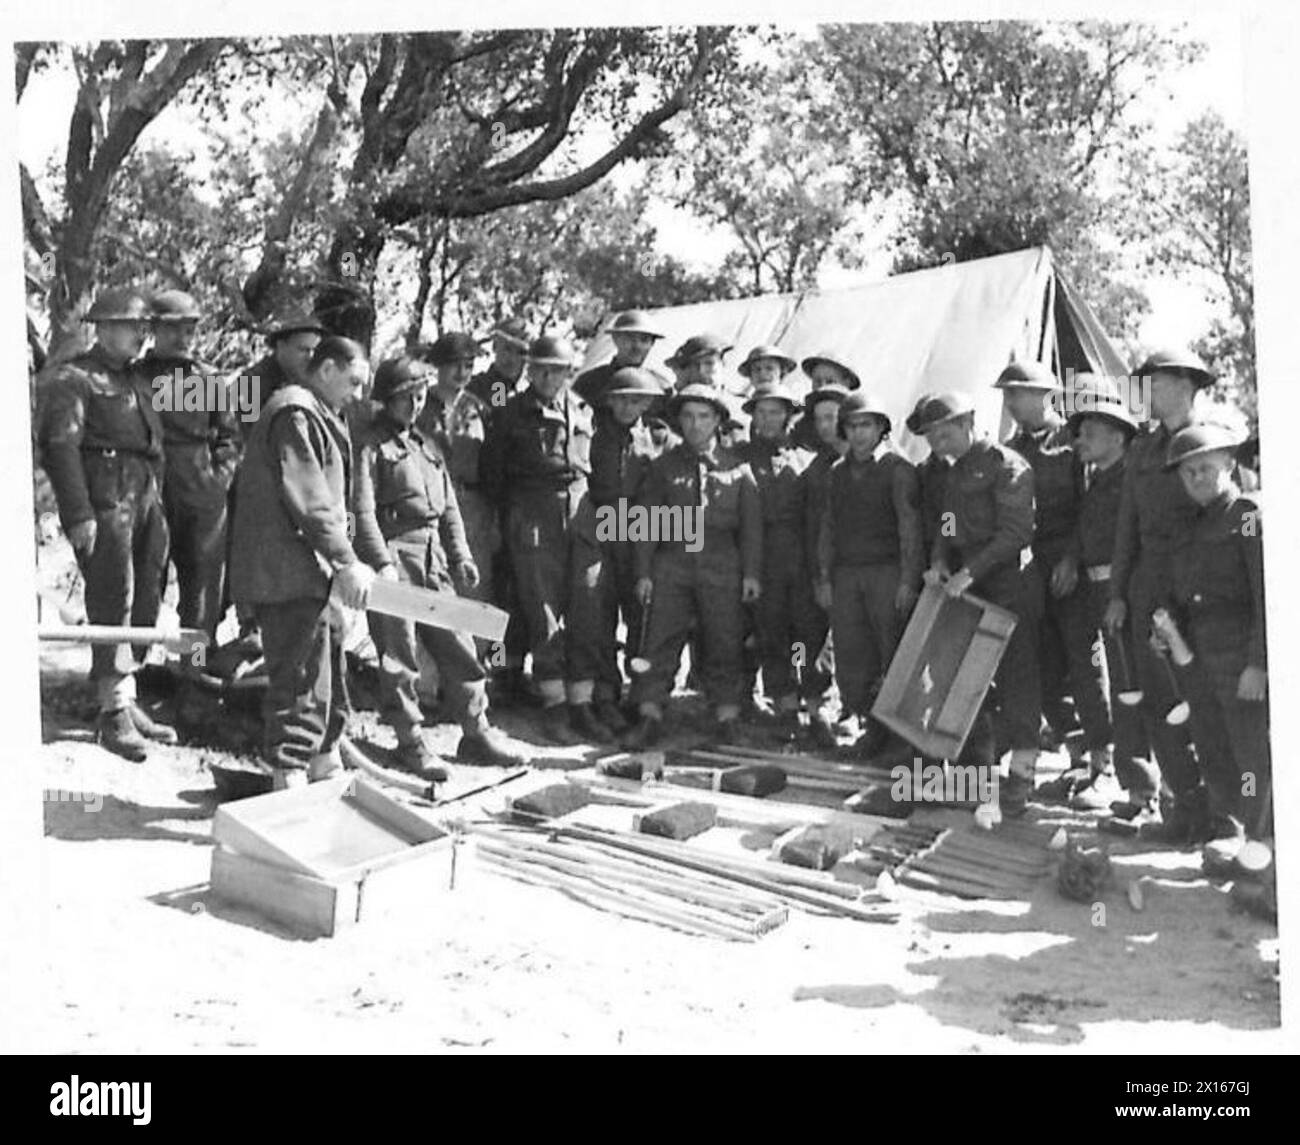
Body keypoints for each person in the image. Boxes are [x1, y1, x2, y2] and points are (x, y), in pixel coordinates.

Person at [351, 355, 527, 773]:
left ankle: (476, 730)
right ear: (386, 400)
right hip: (395, 556)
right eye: (405, 398)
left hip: (433, 560)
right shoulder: (370, 448)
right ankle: (410, 741)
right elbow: (362, 511)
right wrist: (380, 562)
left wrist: (461, 554)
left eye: (419, 396)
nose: (414, 404)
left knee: (459, 645)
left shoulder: (427, 446)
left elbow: (448, 509)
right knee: (400, 655)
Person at [229, 336, 375, 789]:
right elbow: (311, 500)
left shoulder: (320, 415)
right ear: (327, 369)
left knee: (327, 669)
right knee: (299, 680)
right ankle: (289, 785)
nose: (357, 394)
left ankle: (323, 766)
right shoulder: (295, 412)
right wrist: (347, 560)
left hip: (310, 574)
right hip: (287, 574)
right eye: (352, 382)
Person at [36, 287, 176, 760]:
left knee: (147, 595)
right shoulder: (73, 379)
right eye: (133, 327)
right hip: (105, 500)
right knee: (112, 596)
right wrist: (78, 515)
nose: (142, 336)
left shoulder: (137, 378)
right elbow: (60, 449)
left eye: (144, 329)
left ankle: (126, 693)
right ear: (104, 327)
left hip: (143, 496)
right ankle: (112, 711)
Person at [1105, 347, 1213, 842]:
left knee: (1202, 705)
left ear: (1186, 385)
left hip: (1197, 587)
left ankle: (1222, 818)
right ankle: (1183, 811)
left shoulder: (1211, 441)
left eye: (1156, 383)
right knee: (1157, 704)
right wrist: (1119, 593)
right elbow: (1126, 524)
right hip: (1147, 584)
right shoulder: (1143, 450)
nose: (1145, 393)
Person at [914, 391, 1041, 816]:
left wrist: (972, 571)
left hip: (1009, 586)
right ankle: (977, 778)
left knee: (1017, 682)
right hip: (969, 589)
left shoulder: (1008, 466)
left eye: (944, 431)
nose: (938, 441)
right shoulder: (953, 474)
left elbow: (1016, 532)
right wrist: (938, 561)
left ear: (968, 421)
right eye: (931, 435)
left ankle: (1022, 777)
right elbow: (947, 525)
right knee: (969, 683)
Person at [479, 335, 606, 745]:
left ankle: (582, 702)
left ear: (570, 373)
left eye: (558, 370)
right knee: (542, 609)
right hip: (533, 511)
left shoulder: (585, 410)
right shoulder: (512, 412)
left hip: (581, 511)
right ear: (530, 371)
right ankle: (553, 703)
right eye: (541, 369)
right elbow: (494, 475)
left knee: (587, 603)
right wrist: (507, 521)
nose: (549, 377)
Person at [1155, 422, 1270, 862]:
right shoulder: (1189, 525)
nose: (1197, 479)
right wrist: (1165, 629)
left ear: (1228, 463)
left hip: (1239, 652)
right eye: (1188, 473)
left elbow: (1266, 595)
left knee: (1250, 750)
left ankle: (1262, 844)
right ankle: (1228, 828)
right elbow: (1179, 588)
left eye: (1205, 468)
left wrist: (1258, 663)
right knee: (1211, 741)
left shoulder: (1245, 515)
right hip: (1197, 650)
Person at [624, 383, 762, 748]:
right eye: (687, 416)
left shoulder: (738, 470)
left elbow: (751, 528)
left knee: (724, 639)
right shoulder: (662, 467)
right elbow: (645, 523)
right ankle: (650, 716)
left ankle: (727, 717)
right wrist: (643, 573)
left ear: (717, 420)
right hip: (673, 563)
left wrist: (750, 574)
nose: (695, 424)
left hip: (722, 564)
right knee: (660, 640)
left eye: (703, 416)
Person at [998, 361, 1108, 766]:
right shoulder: (1008, 451)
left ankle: (1102, 757)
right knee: (1042, 664)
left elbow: (1090, 507)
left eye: (1017, 393)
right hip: (1029, 573)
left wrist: (1073, 558)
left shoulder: (1076, 441)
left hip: (1070, 566)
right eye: (1006, 395)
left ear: (1044, 395)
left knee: (1084, 662)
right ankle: (1074, 749)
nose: (1010, 403)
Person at [816, 390, 923, 758]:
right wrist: (825, 579)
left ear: (881, 428)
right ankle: (870, 729)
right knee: (851, 656)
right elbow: (828, 528)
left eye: (867, 425)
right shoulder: (837, 473)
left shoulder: (897, 469)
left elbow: (910, 528)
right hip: (847, 575)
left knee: (892, 654)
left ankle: (899, 739)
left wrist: (909, 580)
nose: (859, 433)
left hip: (887, 573)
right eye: (852, 425)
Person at [1064, 380, 1155, 813]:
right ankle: (1102, 767)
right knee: (1091, 677)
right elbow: (1084, 532)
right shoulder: (1093, 481)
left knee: (1129, 686)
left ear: (1118, 437)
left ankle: (1142, 788)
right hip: (1090, 588)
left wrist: (1122, 592)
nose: (1081, 441)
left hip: (1124, 592)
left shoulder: (1132, 482)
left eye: (1090, 433)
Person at [140, 291, 240, 658]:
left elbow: (229, 438)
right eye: (172, 330)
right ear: (152, 329)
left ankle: (193, 678)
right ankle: (131, 676)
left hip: (200, 489)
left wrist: (218, 483)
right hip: (148, 488)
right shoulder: (135, 377)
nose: (181, 338)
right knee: (144, 584)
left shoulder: (210, 381)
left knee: (202, 592)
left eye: (188, 330)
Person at [741, 380, 831, 740]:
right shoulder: (741, 459)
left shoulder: (807, 460)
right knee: (772, 633)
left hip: (802, 559)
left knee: (807, 635)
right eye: (761, 412)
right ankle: (785, 705)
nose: (767, 419)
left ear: (789, 417)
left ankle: (815, 705)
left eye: (775, 412)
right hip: (762, 561)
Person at [589, 366, 661, 732]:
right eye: (621, 400)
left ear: (647, 403)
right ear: (610, 402)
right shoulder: (595, 436)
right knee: (601, 615)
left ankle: (640, 693)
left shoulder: (656, 438)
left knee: (641, 616)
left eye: (636, 400)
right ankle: (604, 694)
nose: (628, 407)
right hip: (603, 527)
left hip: (640, 530)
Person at [236, 310, 325, 442]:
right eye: (303, 350)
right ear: (281, 346)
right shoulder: (248, 383)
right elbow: (249, 442)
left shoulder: (313, 382)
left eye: (314, 351)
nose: (310, 357)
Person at [573, 310, 665, 409]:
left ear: (652, 344)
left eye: (644, 340)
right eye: (629, 338)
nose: (637, 346)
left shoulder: (661, 388)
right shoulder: (589, 382)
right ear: (615, 339)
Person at [791, 351, 860, 448]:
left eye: (830, 381)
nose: (822, 386)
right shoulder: (805, 414)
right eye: (817, 381)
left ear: (846, 383)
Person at [468, 317, 530, 410]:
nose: (512, 358)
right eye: (507, 349)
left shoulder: (530, 395)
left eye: (521, 352)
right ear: (495, 346)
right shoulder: (475, 389)